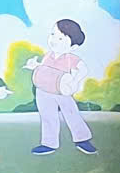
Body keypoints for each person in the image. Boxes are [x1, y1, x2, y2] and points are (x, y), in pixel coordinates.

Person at [28, 18, 95, 156]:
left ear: (73, 46)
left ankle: (82, 139)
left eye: (60, 38)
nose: (54, 40)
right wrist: (35, 66)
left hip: (61, 91)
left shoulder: (71, 58)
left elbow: (83, 70)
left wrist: (74, 81)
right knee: (47, 116)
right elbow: (44, 69)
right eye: (53, 35)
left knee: (71, 113)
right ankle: (49, 143)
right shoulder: (48, 55)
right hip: (43, 91)